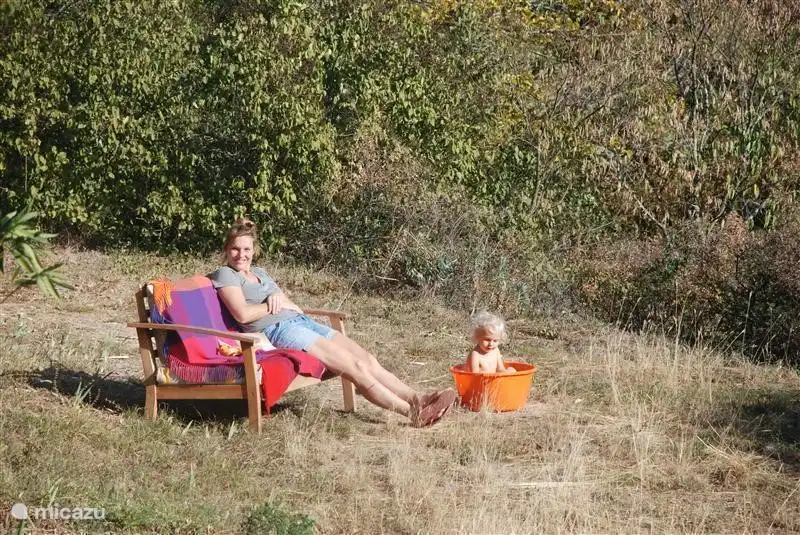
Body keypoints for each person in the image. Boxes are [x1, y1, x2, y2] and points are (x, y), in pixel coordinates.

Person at [210, 218, 457, 427]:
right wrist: (271, 305)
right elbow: (242, 314)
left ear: (254, 250)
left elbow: (288, 303)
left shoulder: (260, 273)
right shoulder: (226, 274)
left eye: (246, 249)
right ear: (227, 249)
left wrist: (285, 303)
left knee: (368, 359)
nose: (241, 255)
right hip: (281, 330)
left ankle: (419, 398)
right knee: (354, 367)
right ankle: (412, 414)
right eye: (235, 249)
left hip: (301, 321)